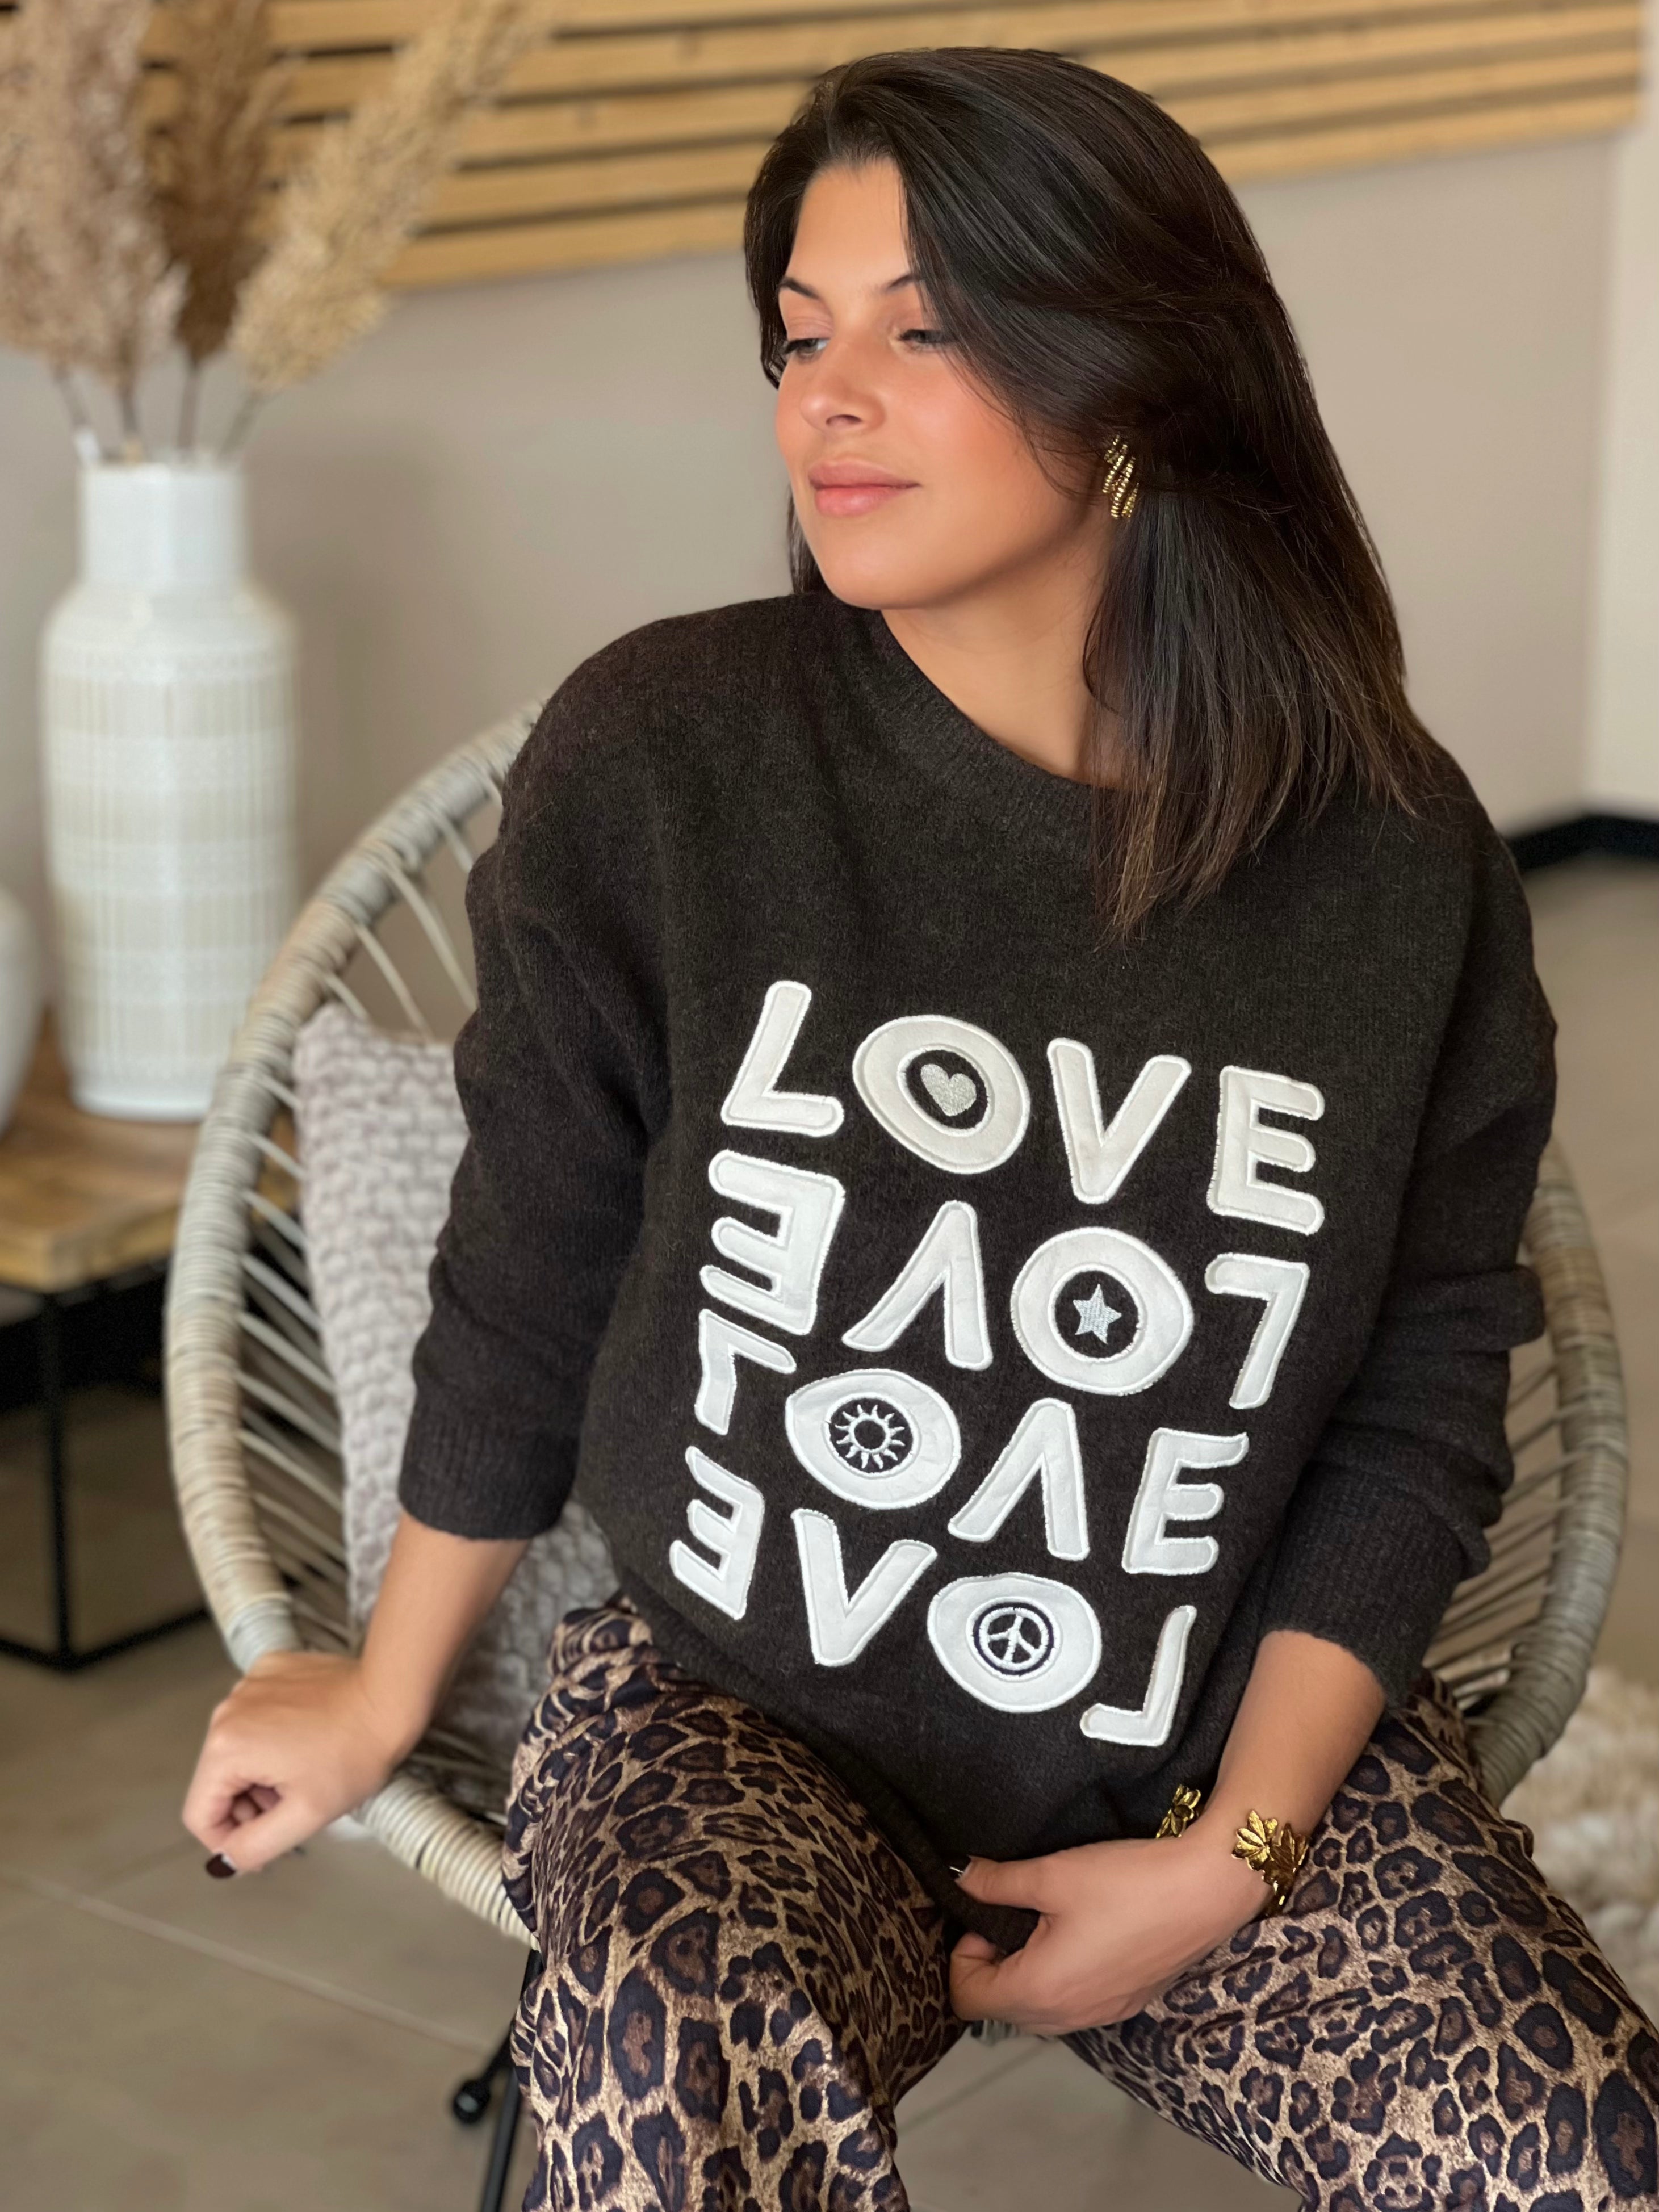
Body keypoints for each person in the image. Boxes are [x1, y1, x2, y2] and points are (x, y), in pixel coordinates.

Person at [183, 47, 1659, 2212]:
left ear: (1137, 377)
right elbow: (527, 1268)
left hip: (1197, 1744)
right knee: (672, 2060)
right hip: (740, 1717)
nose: (827, 402)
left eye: (924, 330)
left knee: (1582, 2152)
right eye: (798, 336)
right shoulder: (672, 760)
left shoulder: (1389, 862)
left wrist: (1228, 1858)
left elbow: (1420, 1393)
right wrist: (382, 1688)